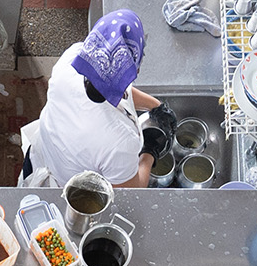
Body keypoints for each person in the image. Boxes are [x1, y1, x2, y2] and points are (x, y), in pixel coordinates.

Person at [20, 10, 168, 187]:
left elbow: (116, 84)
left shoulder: (74, 56)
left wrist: (156, 106)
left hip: (41, 156)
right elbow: (132, 191)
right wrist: (149, 153)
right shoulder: (120, 141)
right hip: (68, 192)